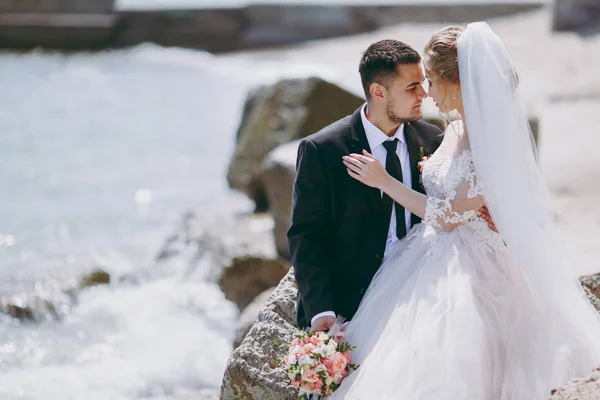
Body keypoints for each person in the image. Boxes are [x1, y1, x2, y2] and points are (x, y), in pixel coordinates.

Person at [328, 22, 600, 399]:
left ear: (456, 83)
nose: (427, 93)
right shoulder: (452, 131)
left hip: (473, 268)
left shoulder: (492, 146)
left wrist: (385, 183)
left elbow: (447, 216)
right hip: (427, 255)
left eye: (432, 82)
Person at [287, 39, 445, 332]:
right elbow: (306, 236)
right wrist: (322, 309)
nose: (423, 93)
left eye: (422, 84)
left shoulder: (431, 139)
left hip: (420, 294)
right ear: (378, 92)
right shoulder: (323, 149)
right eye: (412, 87)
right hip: (352, 306)